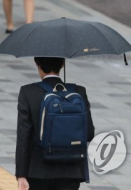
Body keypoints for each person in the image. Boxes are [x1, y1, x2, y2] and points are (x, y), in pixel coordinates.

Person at [16, 57, 95, 190]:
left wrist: (21, 174)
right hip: (71, 171)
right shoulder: (79, 92)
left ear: (38, 64)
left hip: (37, 171)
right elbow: (89, 134)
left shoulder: (28, 92)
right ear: (62, 64)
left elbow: (23, 137)